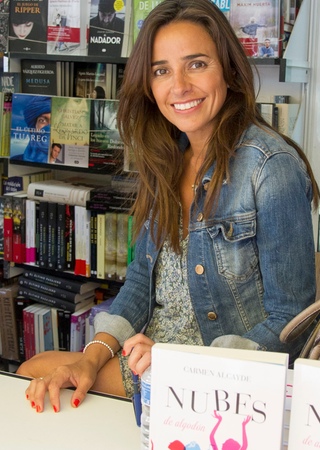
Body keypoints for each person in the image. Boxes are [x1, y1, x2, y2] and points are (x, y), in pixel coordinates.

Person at [18, 0, 319, 414]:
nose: (178, 86)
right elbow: (142, 281)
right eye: (161, 70)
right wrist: (93, 356)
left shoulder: (270, 167)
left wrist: (186, 365)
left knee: (36, 374)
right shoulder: (169, 156)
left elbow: (292, 321)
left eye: (196, 64)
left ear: (228, 71)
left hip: (220, 379)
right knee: (38, 373)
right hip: (154, 359)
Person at [11, 95, 51, 163]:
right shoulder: (16, 160)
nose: (49, 127)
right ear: (32, 128)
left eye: (56, 122)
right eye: (42, 121)